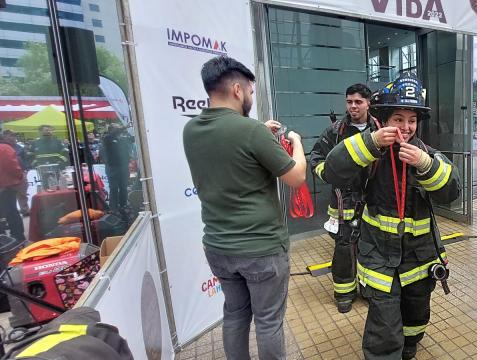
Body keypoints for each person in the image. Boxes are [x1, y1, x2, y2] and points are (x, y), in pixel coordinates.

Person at [324, 73, 460, 359]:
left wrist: (425, 165)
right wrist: (371, 143)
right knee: (384, 322)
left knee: (416, 312)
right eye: (398, 119)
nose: (406, 127)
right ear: (384, 120)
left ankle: (409, 347)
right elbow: (333, 170)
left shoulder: (425, 154)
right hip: (378, 256)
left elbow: (452, 191)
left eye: (412, 120)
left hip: (419, 256)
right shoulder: (368, 152)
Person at [183, 56, 307, 360]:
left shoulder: (191, 130)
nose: (251, 98)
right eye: (251, 92)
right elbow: (296, 176)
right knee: (268, 322)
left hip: (218, 247)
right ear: (237, 90)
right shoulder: (252, 132)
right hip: (261, 249)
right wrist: (297, 142)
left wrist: (261, 134)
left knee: (235, 314)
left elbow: (229, 148)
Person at [309, 83, 378, 313]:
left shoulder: (379, 128)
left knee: (371, 250)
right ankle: (344, 293)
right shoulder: (335, 131)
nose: (353, 106)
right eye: (349, 102)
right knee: (344, 250)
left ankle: (369, 289)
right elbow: (316, 159)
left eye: (358, 102)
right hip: (343, 205)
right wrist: (329, 175)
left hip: (373, 204)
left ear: (368, 102)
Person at [101, 123, 133, 212]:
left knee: (123, 187)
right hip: (112, 168)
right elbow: (113, 134)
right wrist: (124, 127)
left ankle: (123, 205)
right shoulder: (107, 138)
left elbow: (133, 139)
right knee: (114, 188)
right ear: (111, 130)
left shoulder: (122, 139)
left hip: (123, 167)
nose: (119, 129)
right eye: (117, 128)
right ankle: (113, 208)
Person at [0, 131, 26, 241]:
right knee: (11, 212)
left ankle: (3, 240)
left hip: (5, 185)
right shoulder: (5, 148)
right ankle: (19, 238)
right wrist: (20, 177)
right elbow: (13, 166)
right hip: (5, 186)